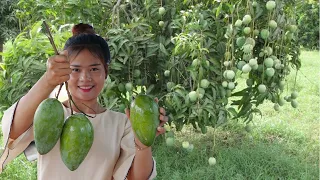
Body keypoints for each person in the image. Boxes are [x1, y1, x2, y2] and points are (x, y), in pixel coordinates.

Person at [0, 23, 168, 180]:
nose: (85, 78)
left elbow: (135, 177)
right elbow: (13, 130)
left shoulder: (121, 123)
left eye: (94, 69)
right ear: (65, 71)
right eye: (75, 69)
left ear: (105, 72)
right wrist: (47, 81)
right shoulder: (50, 113)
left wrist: (143, 144)